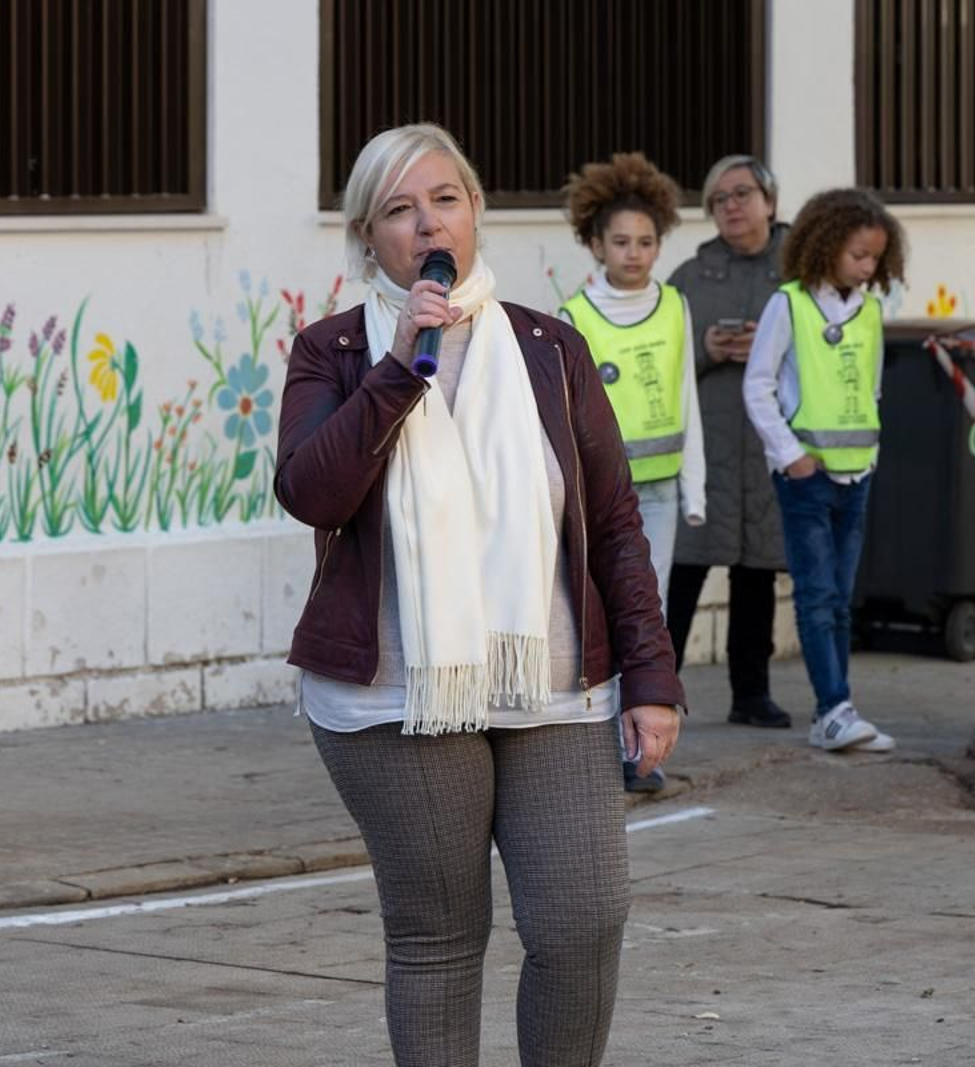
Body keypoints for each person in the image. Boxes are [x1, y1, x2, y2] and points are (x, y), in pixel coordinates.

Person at [275, 123, 685, 1067]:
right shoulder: (334, 352)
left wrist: (651, 676)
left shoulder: (549, 348)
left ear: (475, 214)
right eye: (400, 209)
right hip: (395, 697)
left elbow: (615, 524)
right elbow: (312, 491)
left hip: (553, 685)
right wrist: (398, 367)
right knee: (441, 938)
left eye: (445, 199)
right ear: (366, 237)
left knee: (583, 920)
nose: (428, 224)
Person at [558, 152, 704, 794]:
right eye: (621, 241)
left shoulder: (675, 306)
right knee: (599, 614)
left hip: (662, 491)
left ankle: (640, 750)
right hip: (598, 498)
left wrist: (695, 489)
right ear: (595, 243)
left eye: (646, 241)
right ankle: (596, 737)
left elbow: (688, 398)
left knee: (652, 615)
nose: (635, 253)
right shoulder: (572, 317)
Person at [742, 187, 907, 753]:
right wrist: (791, 456)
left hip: (856, 476)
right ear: (827, 245)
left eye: (875, 259)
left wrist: (872, 456)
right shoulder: (788, 304)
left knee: (839, 596)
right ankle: (833, 707)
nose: (868, 267)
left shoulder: (872, 311)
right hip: (805, 481)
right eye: (859, 255)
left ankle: (837, 708)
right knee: (815, 596)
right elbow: (758, 386)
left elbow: (873, 389)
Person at [665, 155, 794, 730]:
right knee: (684, 569)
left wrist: (769, 353)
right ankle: (657, 692)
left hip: (770, 444)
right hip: (708, 444)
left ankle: (752, 694)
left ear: (770, 200)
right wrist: (708, 351)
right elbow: (659, 360)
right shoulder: (691, 277)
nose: (732, 206)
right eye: (719, 199)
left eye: (742, 193)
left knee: (757, 570)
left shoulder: (801, 268)